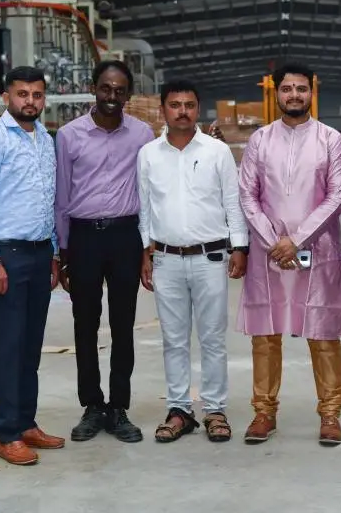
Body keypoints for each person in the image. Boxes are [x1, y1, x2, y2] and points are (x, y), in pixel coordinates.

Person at [237, 62, 341, 446]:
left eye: (301, 89)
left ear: (311, 93)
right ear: (277, 93)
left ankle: (330, 413)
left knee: (322, 332)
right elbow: (247, 194)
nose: (294, 95)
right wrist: (275, 241)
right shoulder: (260, 140)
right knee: (265, 334)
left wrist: (298, 240)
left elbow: (337, 195)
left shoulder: (330, 139)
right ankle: (263, 412)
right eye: (287, 89)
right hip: (268, 252)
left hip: (317, 250)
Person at [137, 79, 248, 443]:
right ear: (163, 110)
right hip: (166, 259)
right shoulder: (148, 154)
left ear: (198, 109)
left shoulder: (217, 152)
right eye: (175, 105)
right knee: (174, 339)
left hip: (210, 258)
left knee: (213, 338)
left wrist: (240, 247)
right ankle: (179, 410)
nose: (182, 111)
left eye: (188, 105)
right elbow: (144, 206)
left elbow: (232, 202)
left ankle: (214, 409)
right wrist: (145, 251)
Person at [0, 66, 63, 465]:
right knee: (8, 344)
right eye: (22, 94)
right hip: (5, 254)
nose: (30, 101)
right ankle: (7, 433)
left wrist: (53, 253)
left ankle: (26, 422)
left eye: (37, 95)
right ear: (7, 97)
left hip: (39, 252)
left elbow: (48, 199)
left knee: (30, 343)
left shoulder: (45, 139)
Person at [55, 60, 154, 444]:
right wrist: (63, 250)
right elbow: (62, 195)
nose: (112, 96)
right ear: (93, 87)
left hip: (125, 236)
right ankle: (92, 405)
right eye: (105, 88)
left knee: (123, 325)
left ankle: (118, 408)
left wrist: (146, 246)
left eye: (119, 90)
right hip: (84, 238)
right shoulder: (69, 135)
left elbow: (148, 193)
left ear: (128, 94)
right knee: (85, 324)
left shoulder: (142, 134)